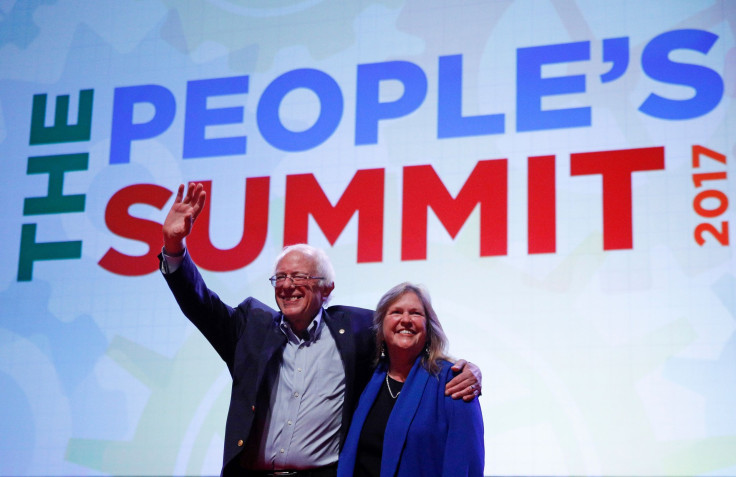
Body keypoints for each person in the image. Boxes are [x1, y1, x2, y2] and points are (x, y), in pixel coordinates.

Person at [159, 183, 482, 477]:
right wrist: (174, 247)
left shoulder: (357, 329)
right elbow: (200, 304)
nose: (287, 286)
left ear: (327, 289)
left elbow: (405, 334)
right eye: (280, 277)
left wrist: (462, 369)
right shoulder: (250, 328)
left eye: (300, 277)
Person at [337, 282, 484, 477]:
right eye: (396, 312)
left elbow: (465, 464)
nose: (405, 320)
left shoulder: (454, 381)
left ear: (429, 327)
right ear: (380, 327)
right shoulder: (367, 377)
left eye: (415, 313)